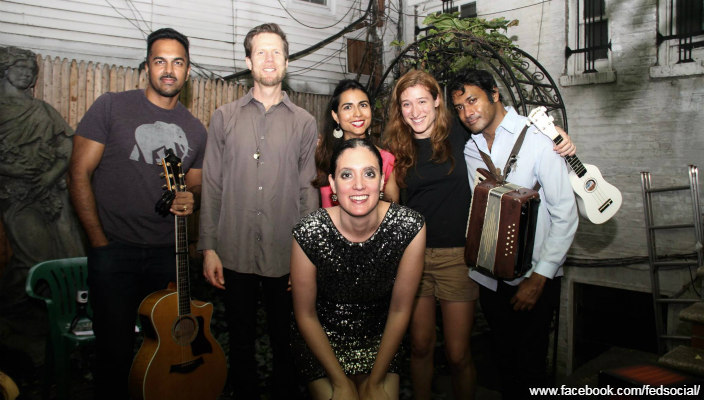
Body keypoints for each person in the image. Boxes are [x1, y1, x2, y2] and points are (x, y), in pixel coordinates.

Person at [69, 28, 206, 399]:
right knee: (113, 351)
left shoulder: (195, 129)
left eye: (177, 62)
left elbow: (193, 185)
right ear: (147, 66)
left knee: (162, 347)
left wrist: (190, 198)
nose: (168, 70)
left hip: (167, 256)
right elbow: (78, 172)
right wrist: (99, 241)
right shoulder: (112, 106)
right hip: (115, 249)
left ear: (188, 71)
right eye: (160, 60)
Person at [198, 23, 318, 399]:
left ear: (286, 61)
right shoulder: (224, 117)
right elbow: (212, 184)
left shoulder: (304, 123)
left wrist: (307, 253)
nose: (269, 59)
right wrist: (209, 247)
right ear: (248, 61)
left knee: (287, 339)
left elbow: (307, 191)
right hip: (233, 252)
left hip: (286, 254)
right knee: (240, 338)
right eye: (261, 52)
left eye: (276, 52)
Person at [451, 68, 578, 399]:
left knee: (532, 369)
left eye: (473, 100)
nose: (467, 112)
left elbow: (565, 213)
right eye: (460, 108)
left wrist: (539, 278)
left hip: (535, 276)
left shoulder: (538, 137)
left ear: (494, 94)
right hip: (490, 279)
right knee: (504, 365)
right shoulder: (470, 149)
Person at [290, 138, 426, 400]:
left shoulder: (410, 227)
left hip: (381, 336)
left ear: (382, 181)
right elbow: (305, 315)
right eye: (346, 175)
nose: (359, 185)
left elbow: (400, 310)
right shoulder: (309, 232)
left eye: (369, 173)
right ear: (332, 184)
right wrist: (340, 383)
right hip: (322, 339)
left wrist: (376, 381)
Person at [384, 69, 479, 400]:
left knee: (457, 353)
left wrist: (553, 133)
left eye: (422, 101)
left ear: (438, 101)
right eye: (406, 104)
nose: (415, 111)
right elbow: (390, 202)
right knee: (421, 346)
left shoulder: (461, 132)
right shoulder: (398, 145)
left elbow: (503, 130)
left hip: (457, 256)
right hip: (414, 258)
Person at [0, 46, 84, 309]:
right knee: (34, 258)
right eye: (20, 68)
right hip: (16, 194)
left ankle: (67, 312)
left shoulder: (42, 110)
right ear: (5, 70)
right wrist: (11, 170)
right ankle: (11, 310)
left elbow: (66, 146)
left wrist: (50, 173)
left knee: (74, 255)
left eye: (30, 70)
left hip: (52, 192)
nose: (26, 74)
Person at [313, 79, 399, 206]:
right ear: (336, 116)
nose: (357, 113)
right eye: (348, 107)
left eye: (363, 105)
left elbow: (393, 212)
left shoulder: (387, 161)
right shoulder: (324, 155)